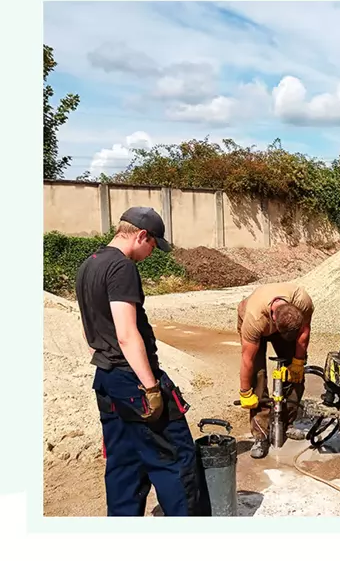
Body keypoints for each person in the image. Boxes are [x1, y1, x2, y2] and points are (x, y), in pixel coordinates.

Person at [75, 206, 203, 516]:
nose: (151, 253)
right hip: (133, 381)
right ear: (141, 235)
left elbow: (88, 326)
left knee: (124, 465)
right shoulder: (122, 268)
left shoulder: (89, 265)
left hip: (106, 380)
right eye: (152, 245)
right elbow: (126, 333)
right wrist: (151, 387)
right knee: (176, 460)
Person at [236, 283, 314, 459]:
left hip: (285, 324)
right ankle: (261, 435)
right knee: (258, 377)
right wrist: (245, 391)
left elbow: (304, 333)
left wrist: (298, 362)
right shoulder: (255, 318)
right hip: (255, 324)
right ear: (273, 319)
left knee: (294, 373)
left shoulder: (302, 301)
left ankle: (287, 423)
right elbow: (247, 359)